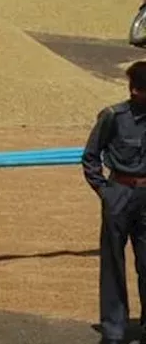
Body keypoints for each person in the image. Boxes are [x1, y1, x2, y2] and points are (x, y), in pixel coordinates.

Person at [84, 60, 146, 344]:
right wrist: (104, 191)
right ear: (133, 90)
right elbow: (90, 156)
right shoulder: (113, 116)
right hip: (119, 193)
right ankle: (114, 328)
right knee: (113, 264)